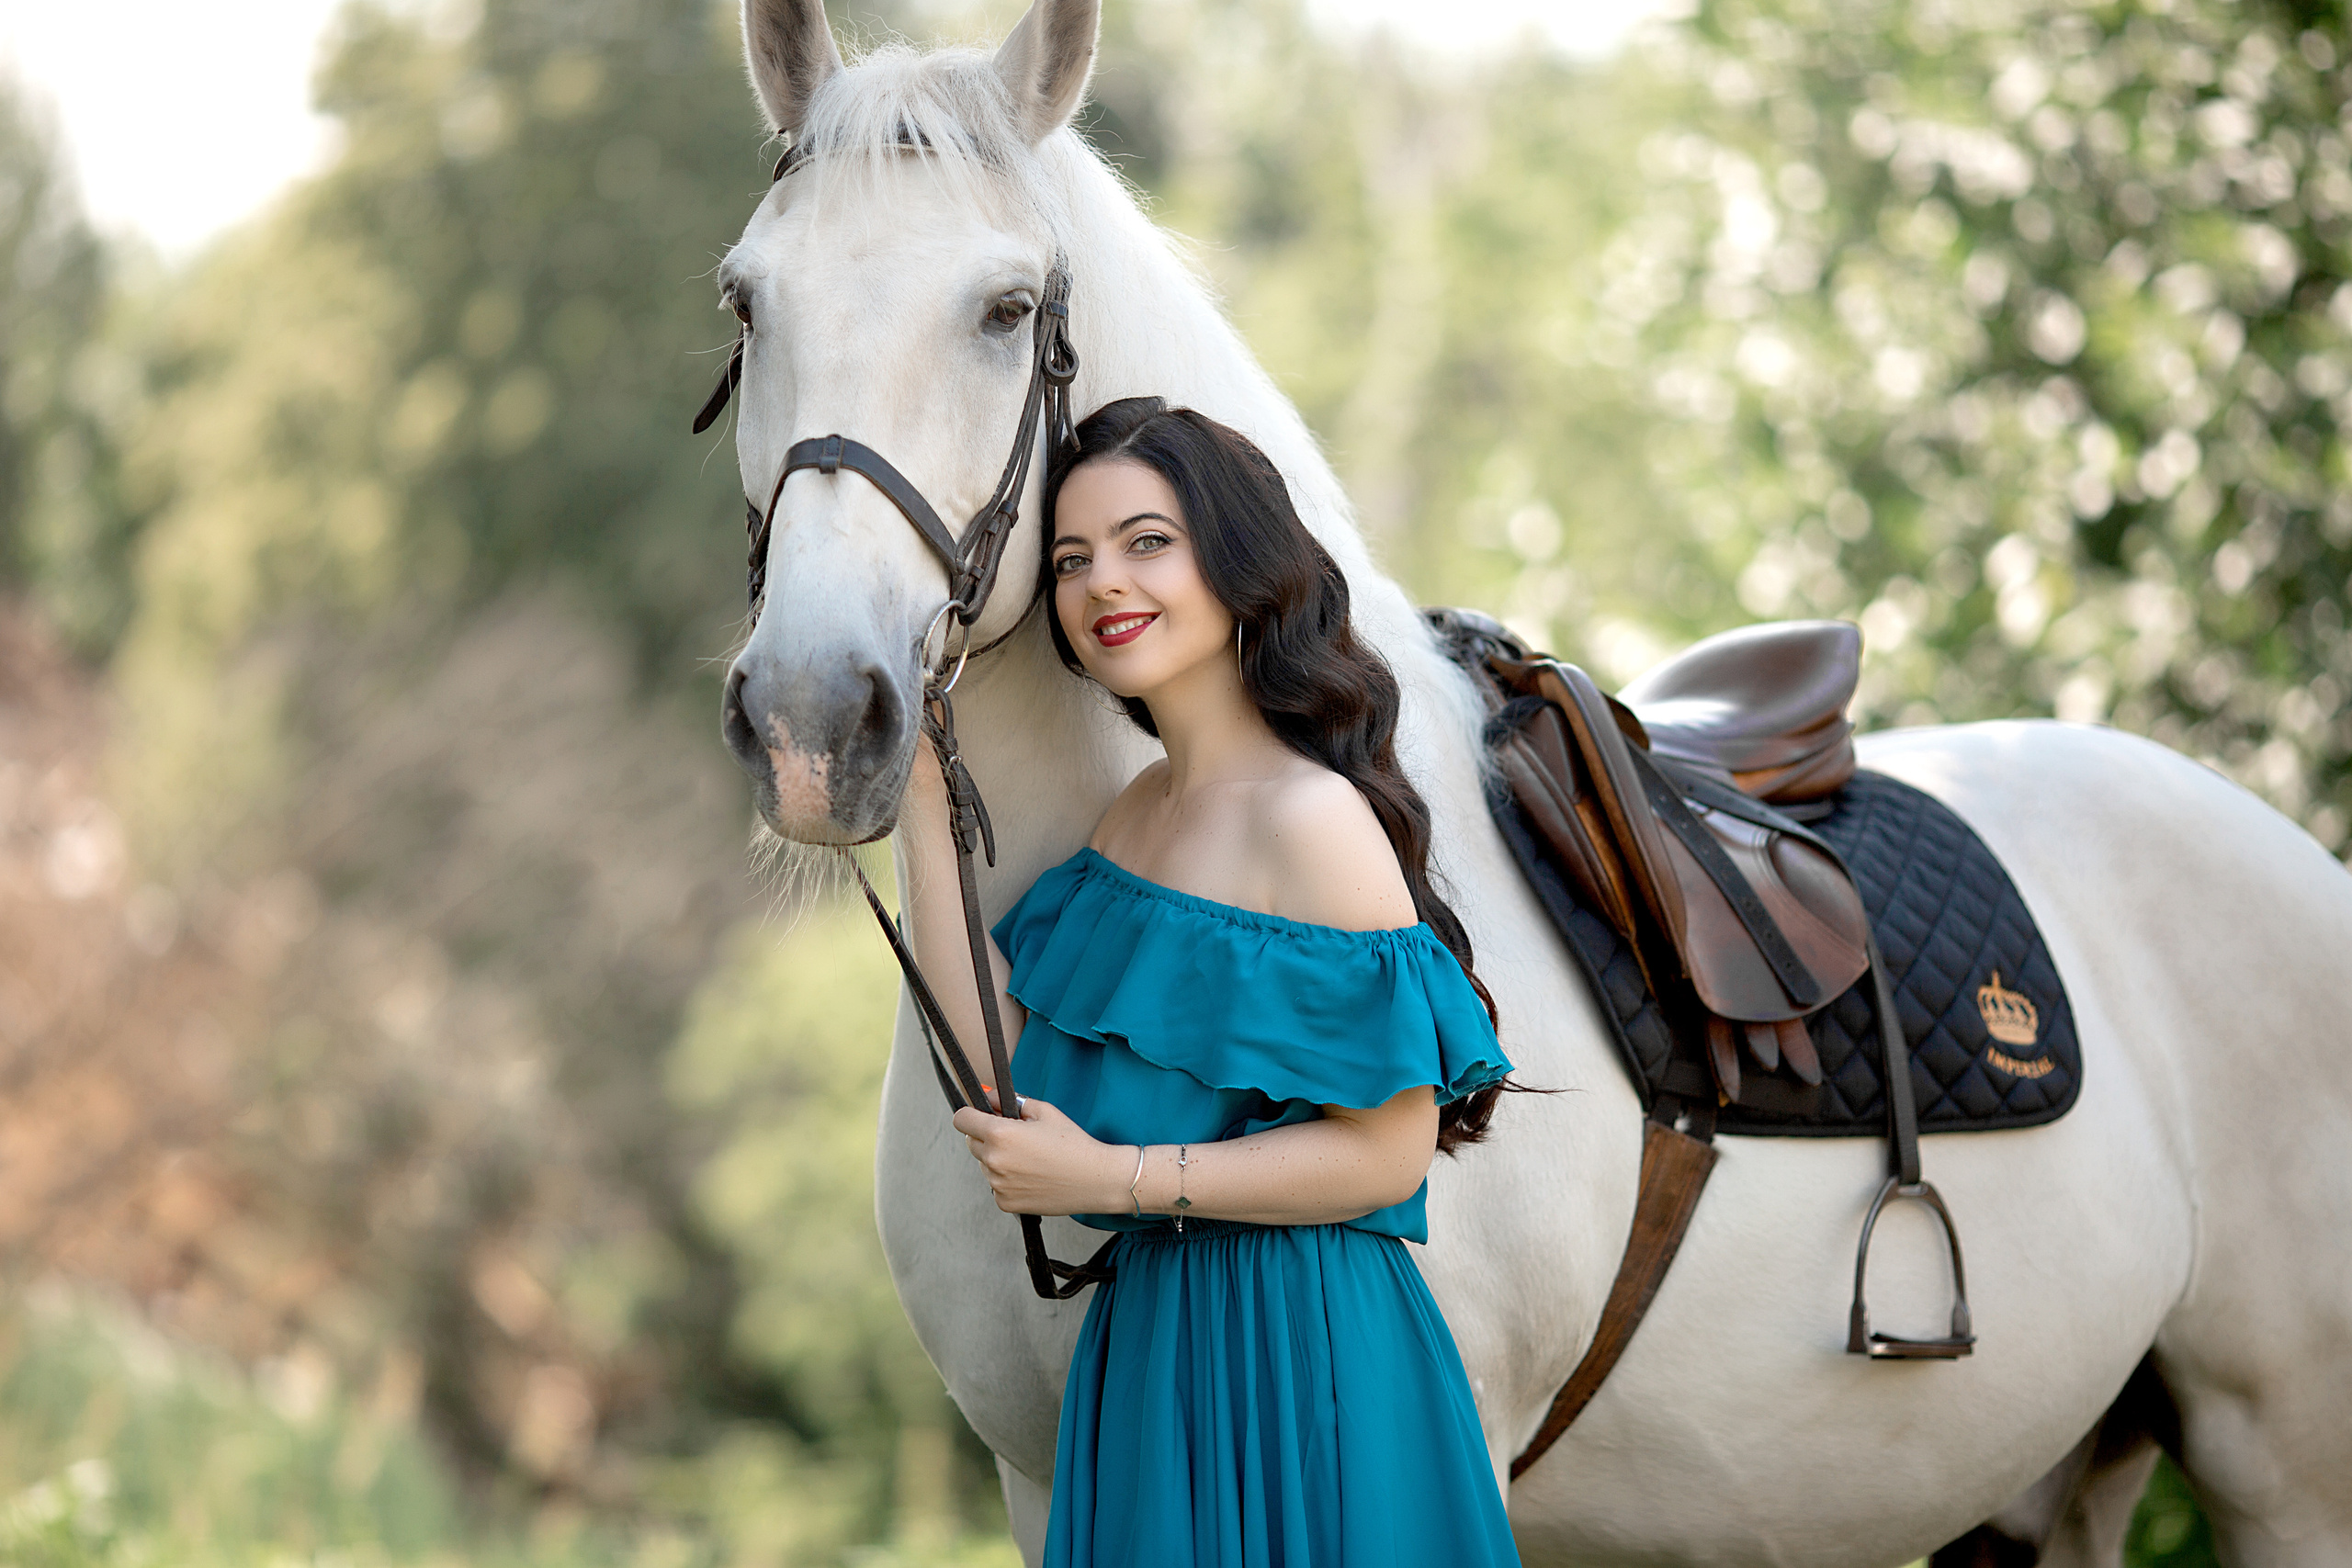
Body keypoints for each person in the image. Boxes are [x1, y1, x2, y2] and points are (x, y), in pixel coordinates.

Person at [897, 397, 1521, 1568]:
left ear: (1237, 564)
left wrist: (1113, 1176)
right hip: (1150, 1347)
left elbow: (1386, 1153)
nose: (1100, 585)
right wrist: (923, 808)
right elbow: (998, 1060)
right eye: (1072, 559)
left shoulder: (1313, 819)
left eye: (1147, 542)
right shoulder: (1136, 817)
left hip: (1305, 1351)